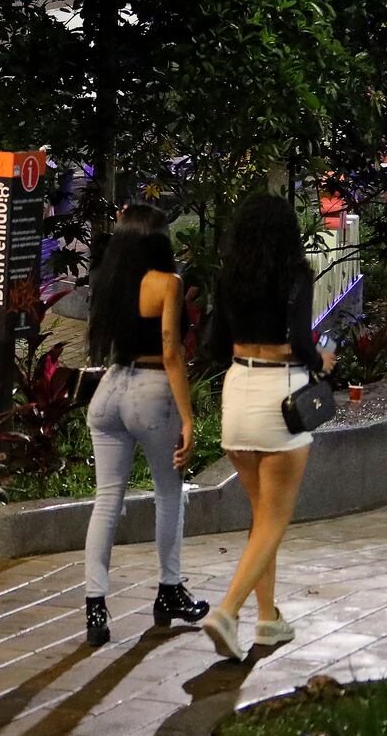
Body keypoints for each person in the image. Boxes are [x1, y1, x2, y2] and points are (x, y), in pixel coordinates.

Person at [201, 194, 335, 660]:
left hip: (237, 391)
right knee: (275, 520)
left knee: (263, 522)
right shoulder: (295, 274)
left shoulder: (229, 277)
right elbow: (300, 342)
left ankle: (268, 620)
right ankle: (228, 612)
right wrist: (323, 359)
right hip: (280, 399)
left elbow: (215, 342)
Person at [82, 203, 208, 646]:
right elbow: (172, 351)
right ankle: (169, 590)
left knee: (106, 500)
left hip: (110, 390)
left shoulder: (107, 281)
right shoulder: (167, 283)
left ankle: (95, 604)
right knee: (168, 492)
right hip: (153, 389)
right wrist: (188, 417)